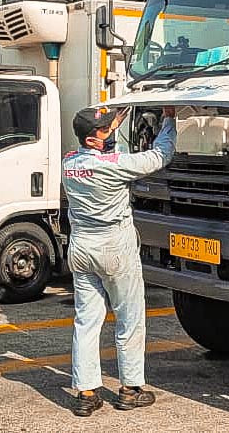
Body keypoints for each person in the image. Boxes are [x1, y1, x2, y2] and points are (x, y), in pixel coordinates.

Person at [62, 104, 177, 416]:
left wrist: (113, 123)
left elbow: (102, 153)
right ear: (93, 139)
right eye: (107, 130)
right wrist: (169, 118)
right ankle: (130, 389)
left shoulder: (69, 163)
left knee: (86, 321)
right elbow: (160, 155)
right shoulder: (115, 166)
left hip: (81, 247)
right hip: (114, 247)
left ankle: (86, 393)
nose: (112, 131)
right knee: (129, 318)